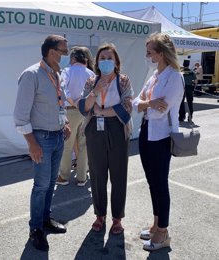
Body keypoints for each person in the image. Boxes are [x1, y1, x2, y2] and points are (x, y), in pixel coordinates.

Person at [14, 35, 71, 251]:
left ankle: (45, 220)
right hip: (41, 139)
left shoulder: (57, 75)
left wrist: (64, 122)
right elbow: (20, 115)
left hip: (57, 136)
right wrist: (32, 143)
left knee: (49, 184)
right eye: (64, 51)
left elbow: (59, 104)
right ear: (51, 51)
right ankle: (36, 229)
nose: (66, 55)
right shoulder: (31, 75)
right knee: (40, 186)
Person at [133, 32, 184, 251]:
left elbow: (161, 112)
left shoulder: (174, 77)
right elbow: (136, 102)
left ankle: (163, 233)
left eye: (150, 52)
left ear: (161, 54)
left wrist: (147, 104)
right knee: (152, 181)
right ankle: (156, 224)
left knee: (160, 184)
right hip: (146, 132)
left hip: (162, 137)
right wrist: (149, 103)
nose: (147, 55)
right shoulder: (155, 75)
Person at [79, 43, 134, 234]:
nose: (106, 61)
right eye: (102, 58)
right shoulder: (91, 81)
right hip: (95, 130)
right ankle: (99, 215)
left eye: (109, 58)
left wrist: (103, 111)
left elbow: (127, 106)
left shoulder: (123, 80)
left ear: (116, 61)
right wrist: (95, 92)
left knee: (118, 175)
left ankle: (117, 218)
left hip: (117, 129)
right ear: (97, 62)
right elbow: (84, 107)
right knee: (97, 174)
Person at [56, 46, 95, 186]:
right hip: (87, 111)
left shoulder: (66, 71)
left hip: (70, 110)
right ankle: (82, 177)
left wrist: (74, 102)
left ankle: (64, 176)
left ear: (72, 58)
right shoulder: (90, 73)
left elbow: (63, 90)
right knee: (84, 144)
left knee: (67, 144)